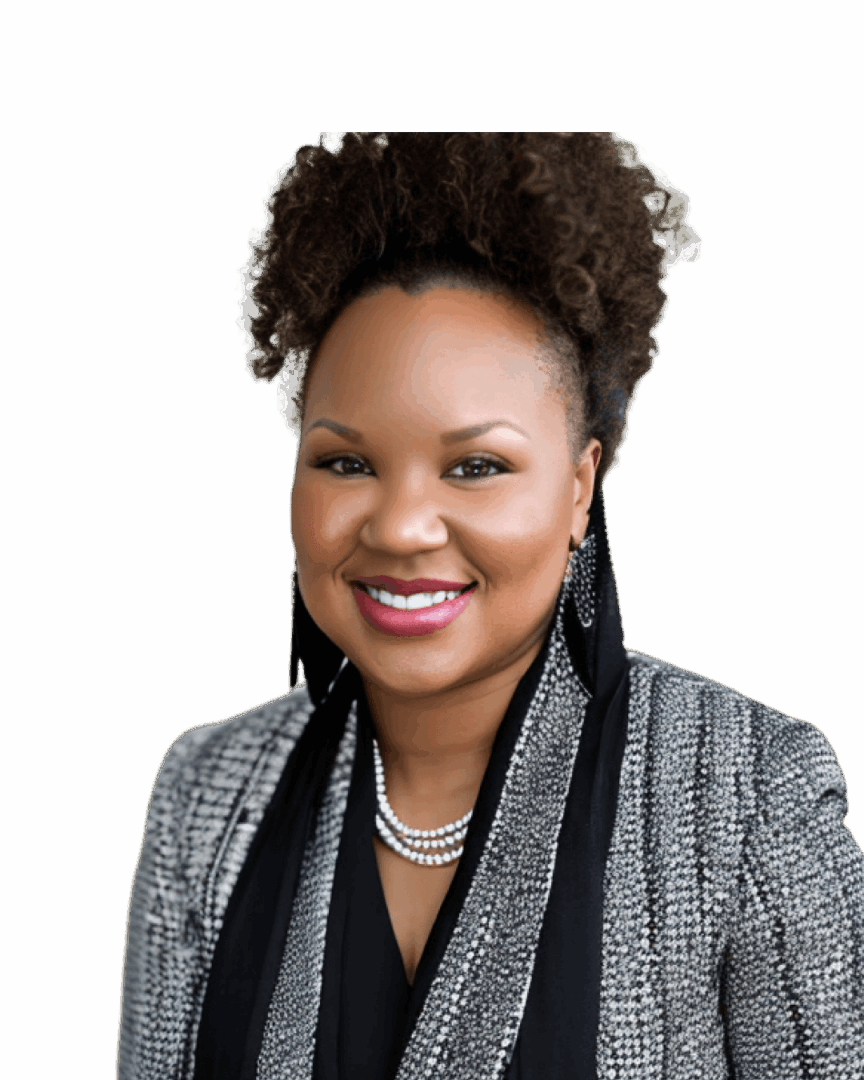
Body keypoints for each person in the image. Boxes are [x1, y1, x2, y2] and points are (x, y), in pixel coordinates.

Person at [117, 133, 864, 1080]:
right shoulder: (204, 797)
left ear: (580, 488)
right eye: (346, 461)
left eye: (475, 466)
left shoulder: (745, 793)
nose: (402, 527)